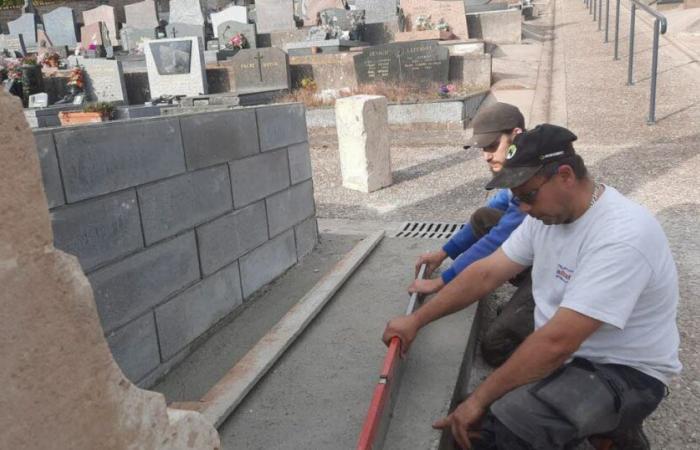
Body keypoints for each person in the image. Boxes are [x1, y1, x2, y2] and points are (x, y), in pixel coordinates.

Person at [383, 124, 681, 450]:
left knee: (506, 431)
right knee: (475, 426)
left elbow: (557, 342)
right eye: (515, 198)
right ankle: (601, 432)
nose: (522, 207)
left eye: (526, 195)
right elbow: (486, 273)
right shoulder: (543, 218)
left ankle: (615, 433)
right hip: (568, 358)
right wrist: (416, 321)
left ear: (565, 175)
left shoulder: (623, 237)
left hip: (624, 372)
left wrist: (479, 399)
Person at [412, 101, 532, 367]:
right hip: (541, 252)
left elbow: (498, 238)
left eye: (492, 146)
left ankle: (544, 315)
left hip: (561, 271)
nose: (487, 156)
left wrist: (442, 282)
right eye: (483, 149)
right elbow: (491, 213)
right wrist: (444, 252)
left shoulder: (532, 177)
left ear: (516, 135)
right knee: (483, 216)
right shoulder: (518, 167)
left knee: (496, 346)